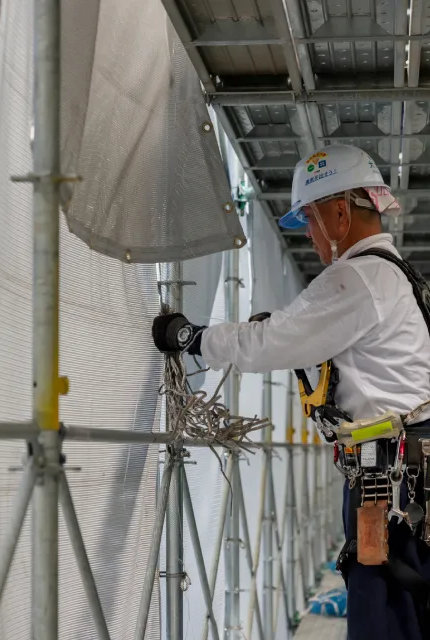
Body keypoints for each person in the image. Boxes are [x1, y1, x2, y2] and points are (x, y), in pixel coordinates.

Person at [152, 144, 430, 639]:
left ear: (340, 213)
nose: (311, 236)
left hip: (388, 480)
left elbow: (268, 343)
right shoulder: (398, 277)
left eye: (310, 219)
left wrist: (190, 338)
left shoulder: (356, 277)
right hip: (406, 474)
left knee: (386, 613)